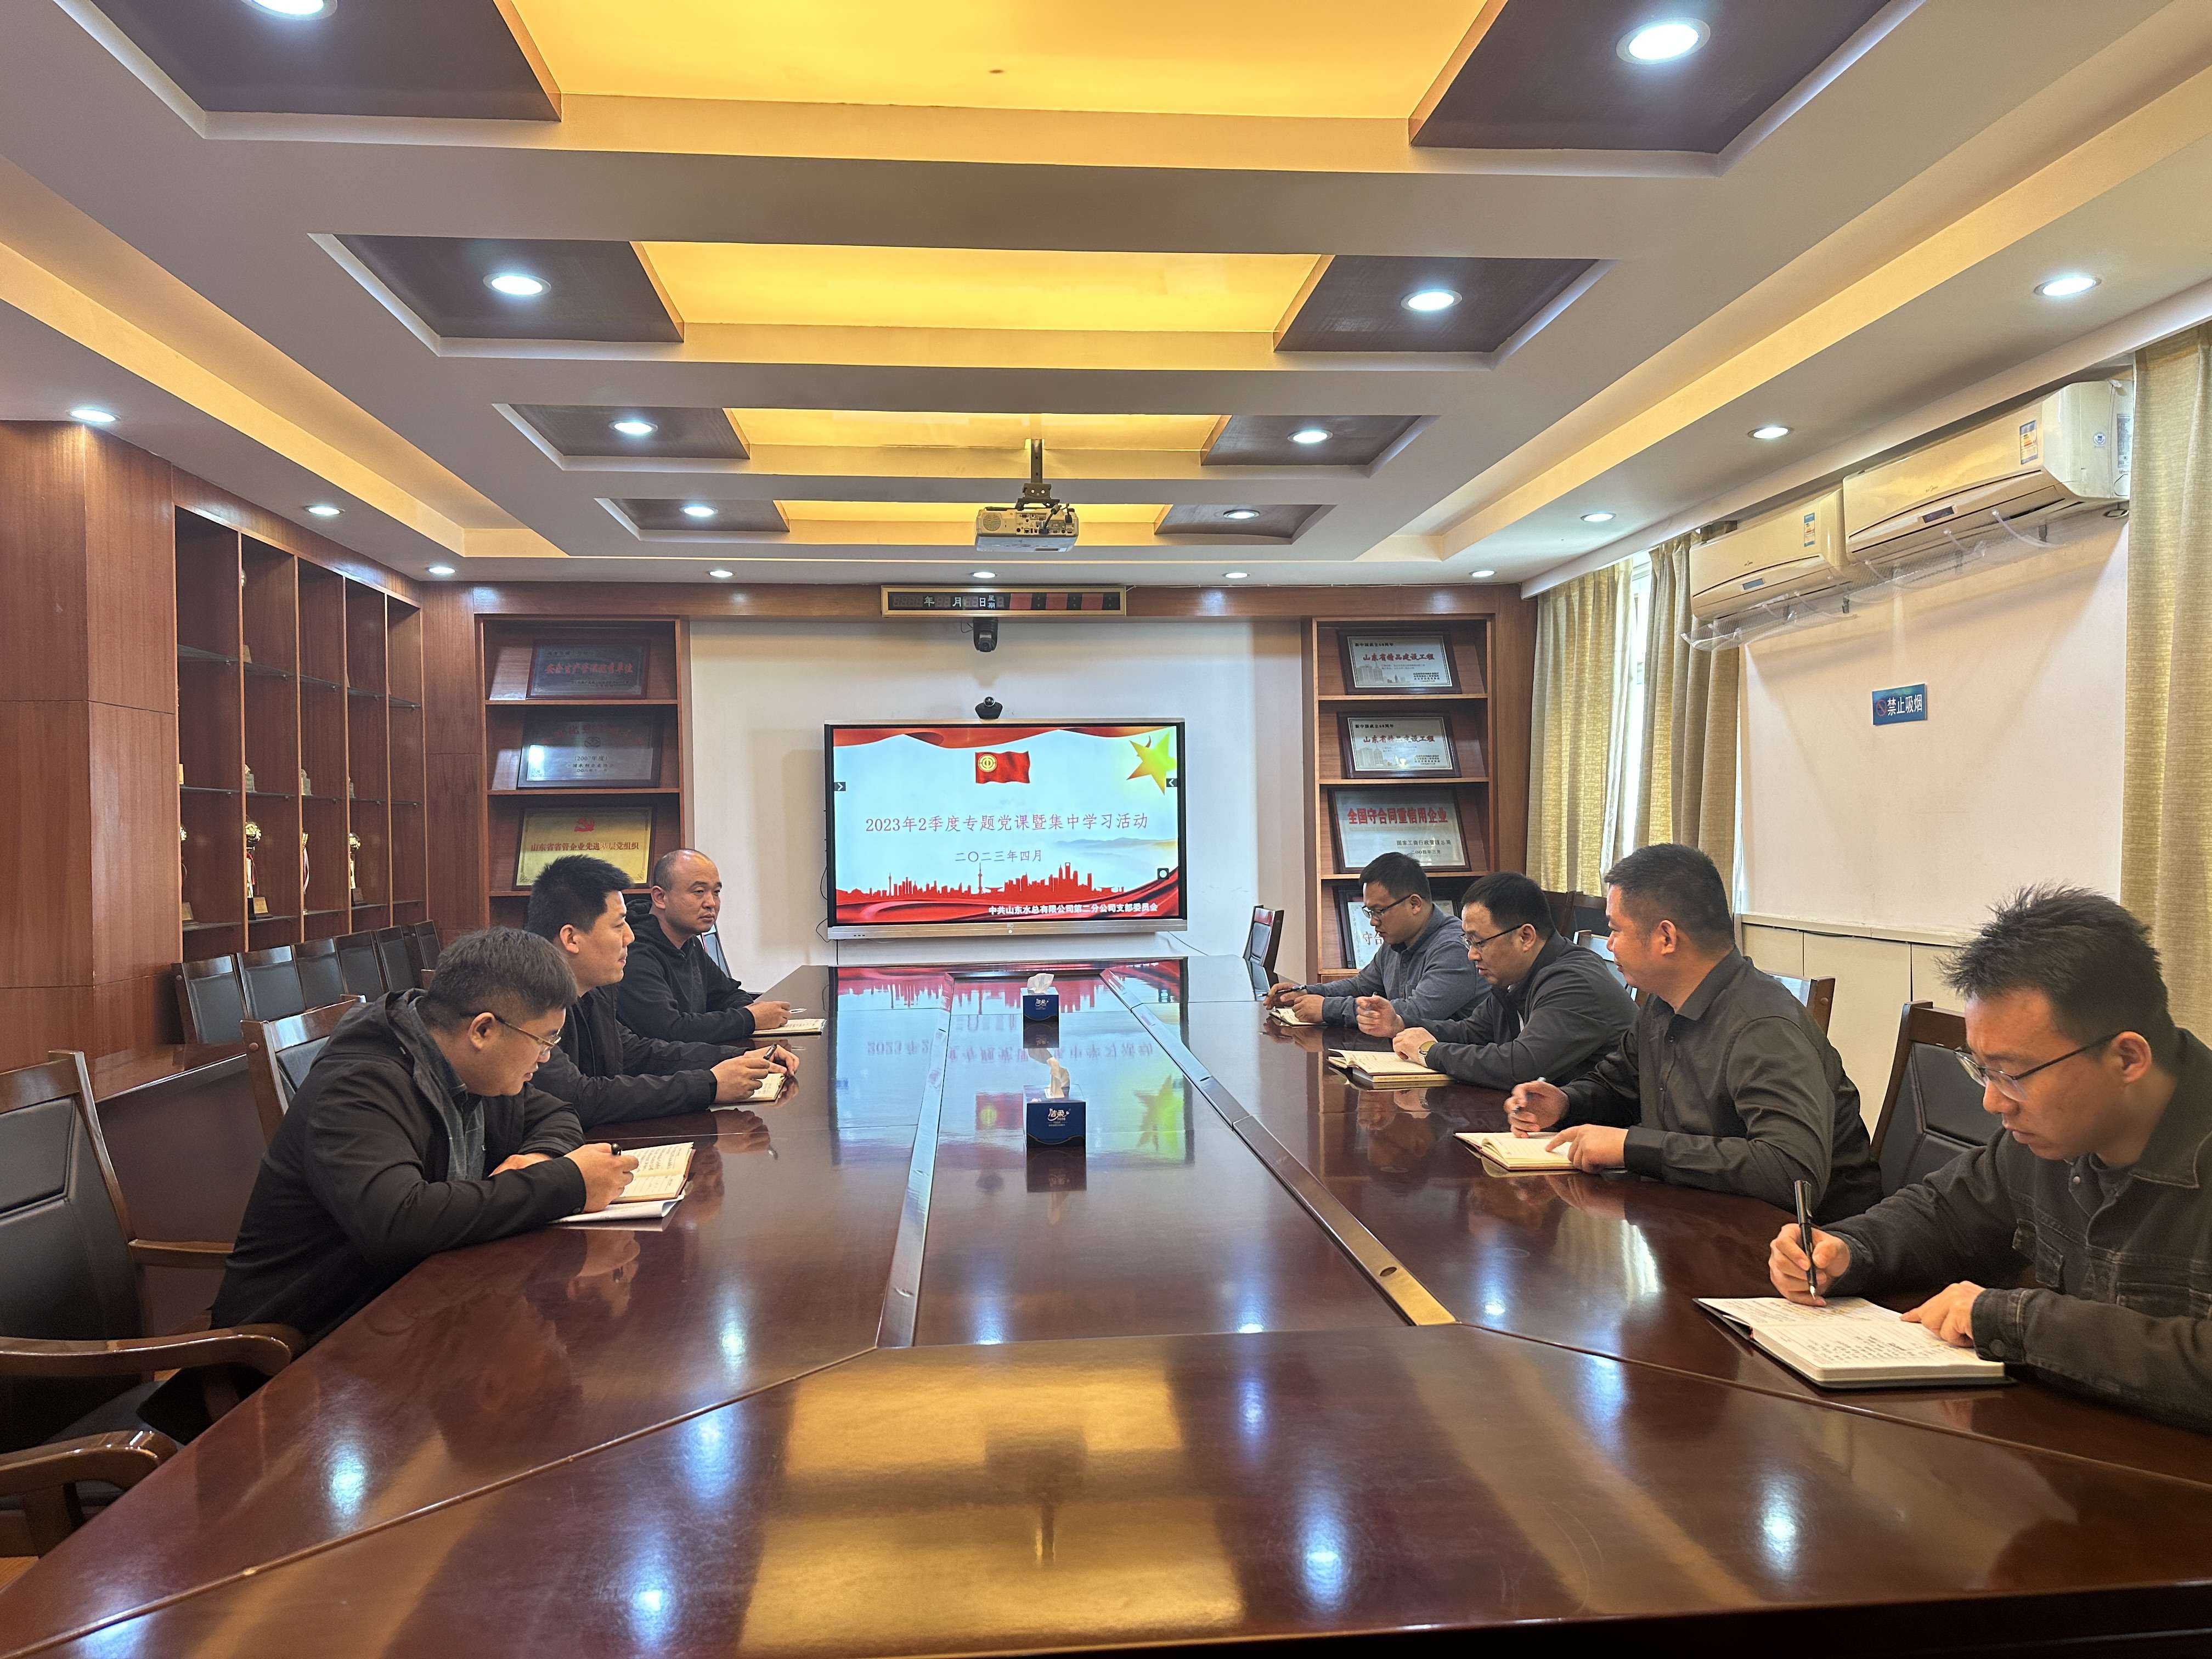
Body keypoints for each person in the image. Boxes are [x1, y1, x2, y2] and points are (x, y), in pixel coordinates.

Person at [1770, 887, 2212, 1432]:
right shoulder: (2045, 1141)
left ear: (2127, 1058)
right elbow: (1944, 1214)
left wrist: (2017, 1320)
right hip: (2071, 1447)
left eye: (2012, 1074)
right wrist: (1848, 1250)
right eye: (1981, 1069)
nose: (1993, 1102)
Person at [208, 928, 636, 1344]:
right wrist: (567, 1183)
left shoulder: (469, 1066)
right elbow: (398, 1222)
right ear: (483, 1031)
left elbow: (558, 1114)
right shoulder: (359, 1086)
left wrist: (538, 1159)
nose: (546, 1057)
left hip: (417, 1314)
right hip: (305, 1345)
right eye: (542, 1039)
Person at [1504, 843, 1880, 1221]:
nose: (1610, 943)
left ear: (1666, 938)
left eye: (1616, 929)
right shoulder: (1662, 1002)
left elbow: (1790, 1171)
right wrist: (1565, 1102)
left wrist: (1633, 1147)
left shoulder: (1764, 1027)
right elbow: (1618, 1087)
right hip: (1695, 1217)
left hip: (1804, 1242)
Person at [524, 854, 795, 1130]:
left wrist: (736, 1058)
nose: (629, 936)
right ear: (571, 939)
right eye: (618, 925)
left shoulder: (595, 990)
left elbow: (636, 1052)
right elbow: (579, 1097)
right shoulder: (529, 1004)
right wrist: (709, 1085)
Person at [1378, 871, 1635, 1089]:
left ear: (1525, 937)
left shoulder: (1574, 982)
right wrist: (1401, 1024)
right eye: (1468, 942)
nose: (1471, 954)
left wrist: (1429, 1052)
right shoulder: (1515, 977)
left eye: (1479, 942)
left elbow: (1521, 1066)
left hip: (1605, 1125)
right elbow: (1472, 1033)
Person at [1265, 852, 1488, 1030]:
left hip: (1451, 1065)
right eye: (1370, 912)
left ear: (1414, 904)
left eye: (1379, 911)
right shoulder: (1397, 941)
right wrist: (1307, 992)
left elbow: (1415, 1012)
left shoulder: (1454, 948)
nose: (1373, 922)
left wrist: (1327, 1008)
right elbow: (1360, 986)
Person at [620, 848, 792, 1043]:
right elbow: (670, 1031)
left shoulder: (689, 942)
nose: (711, 903)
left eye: (716, 892)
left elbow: (727, 994)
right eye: (699, 892)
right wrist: (750, 1019)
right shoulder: (633, 952)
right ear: (660, 897)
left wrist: (752, 1011)